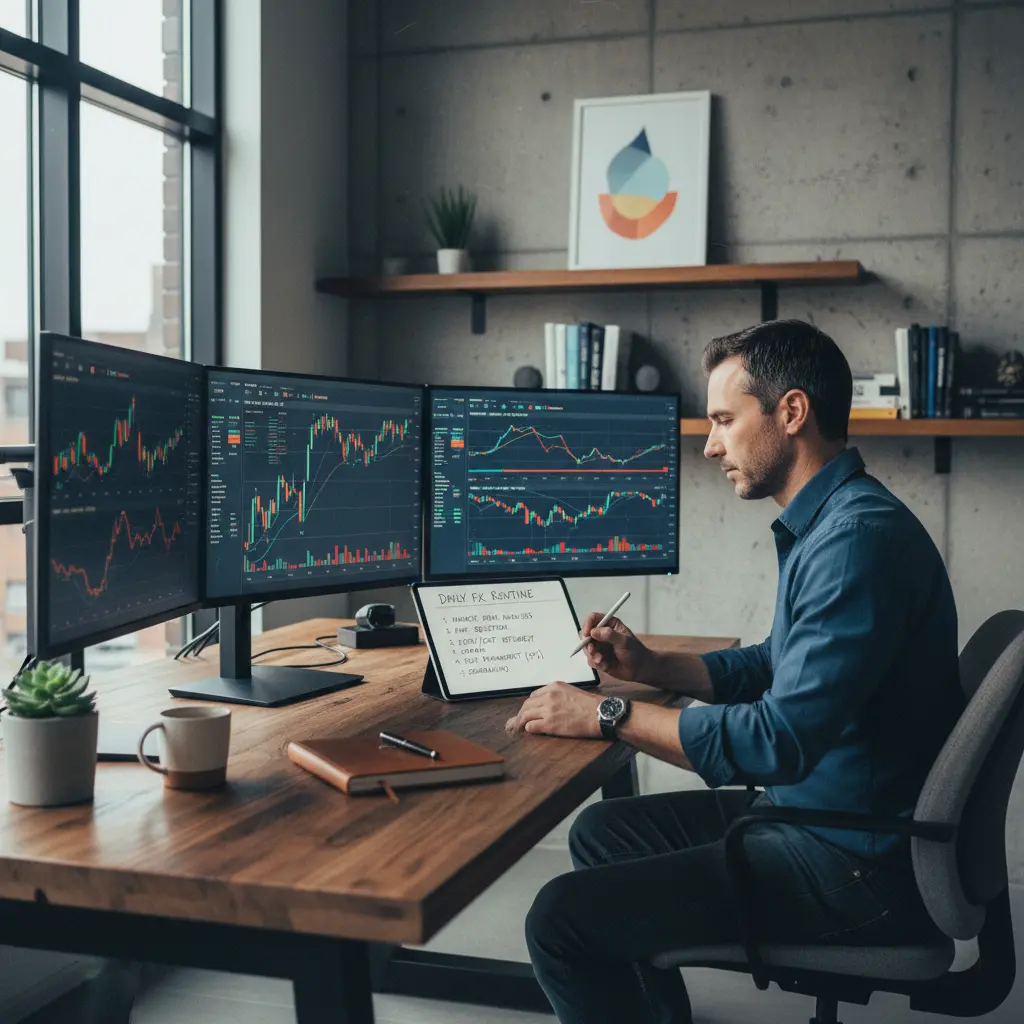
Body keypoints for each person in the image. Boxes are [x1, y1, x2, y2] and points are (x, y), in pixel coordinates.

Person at [507, 320, 964, 1024]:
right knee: (601, 835)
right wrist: (654, 666)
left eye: (724, 419)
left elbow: (777, 742)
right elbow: (777, 664)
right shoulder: (838, 523)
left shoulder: (855, 545)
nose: (710, 442)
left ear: (790, 412)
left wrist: (606, 714)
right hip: (825, 819)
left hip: (853, 866)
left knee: (558, 920)